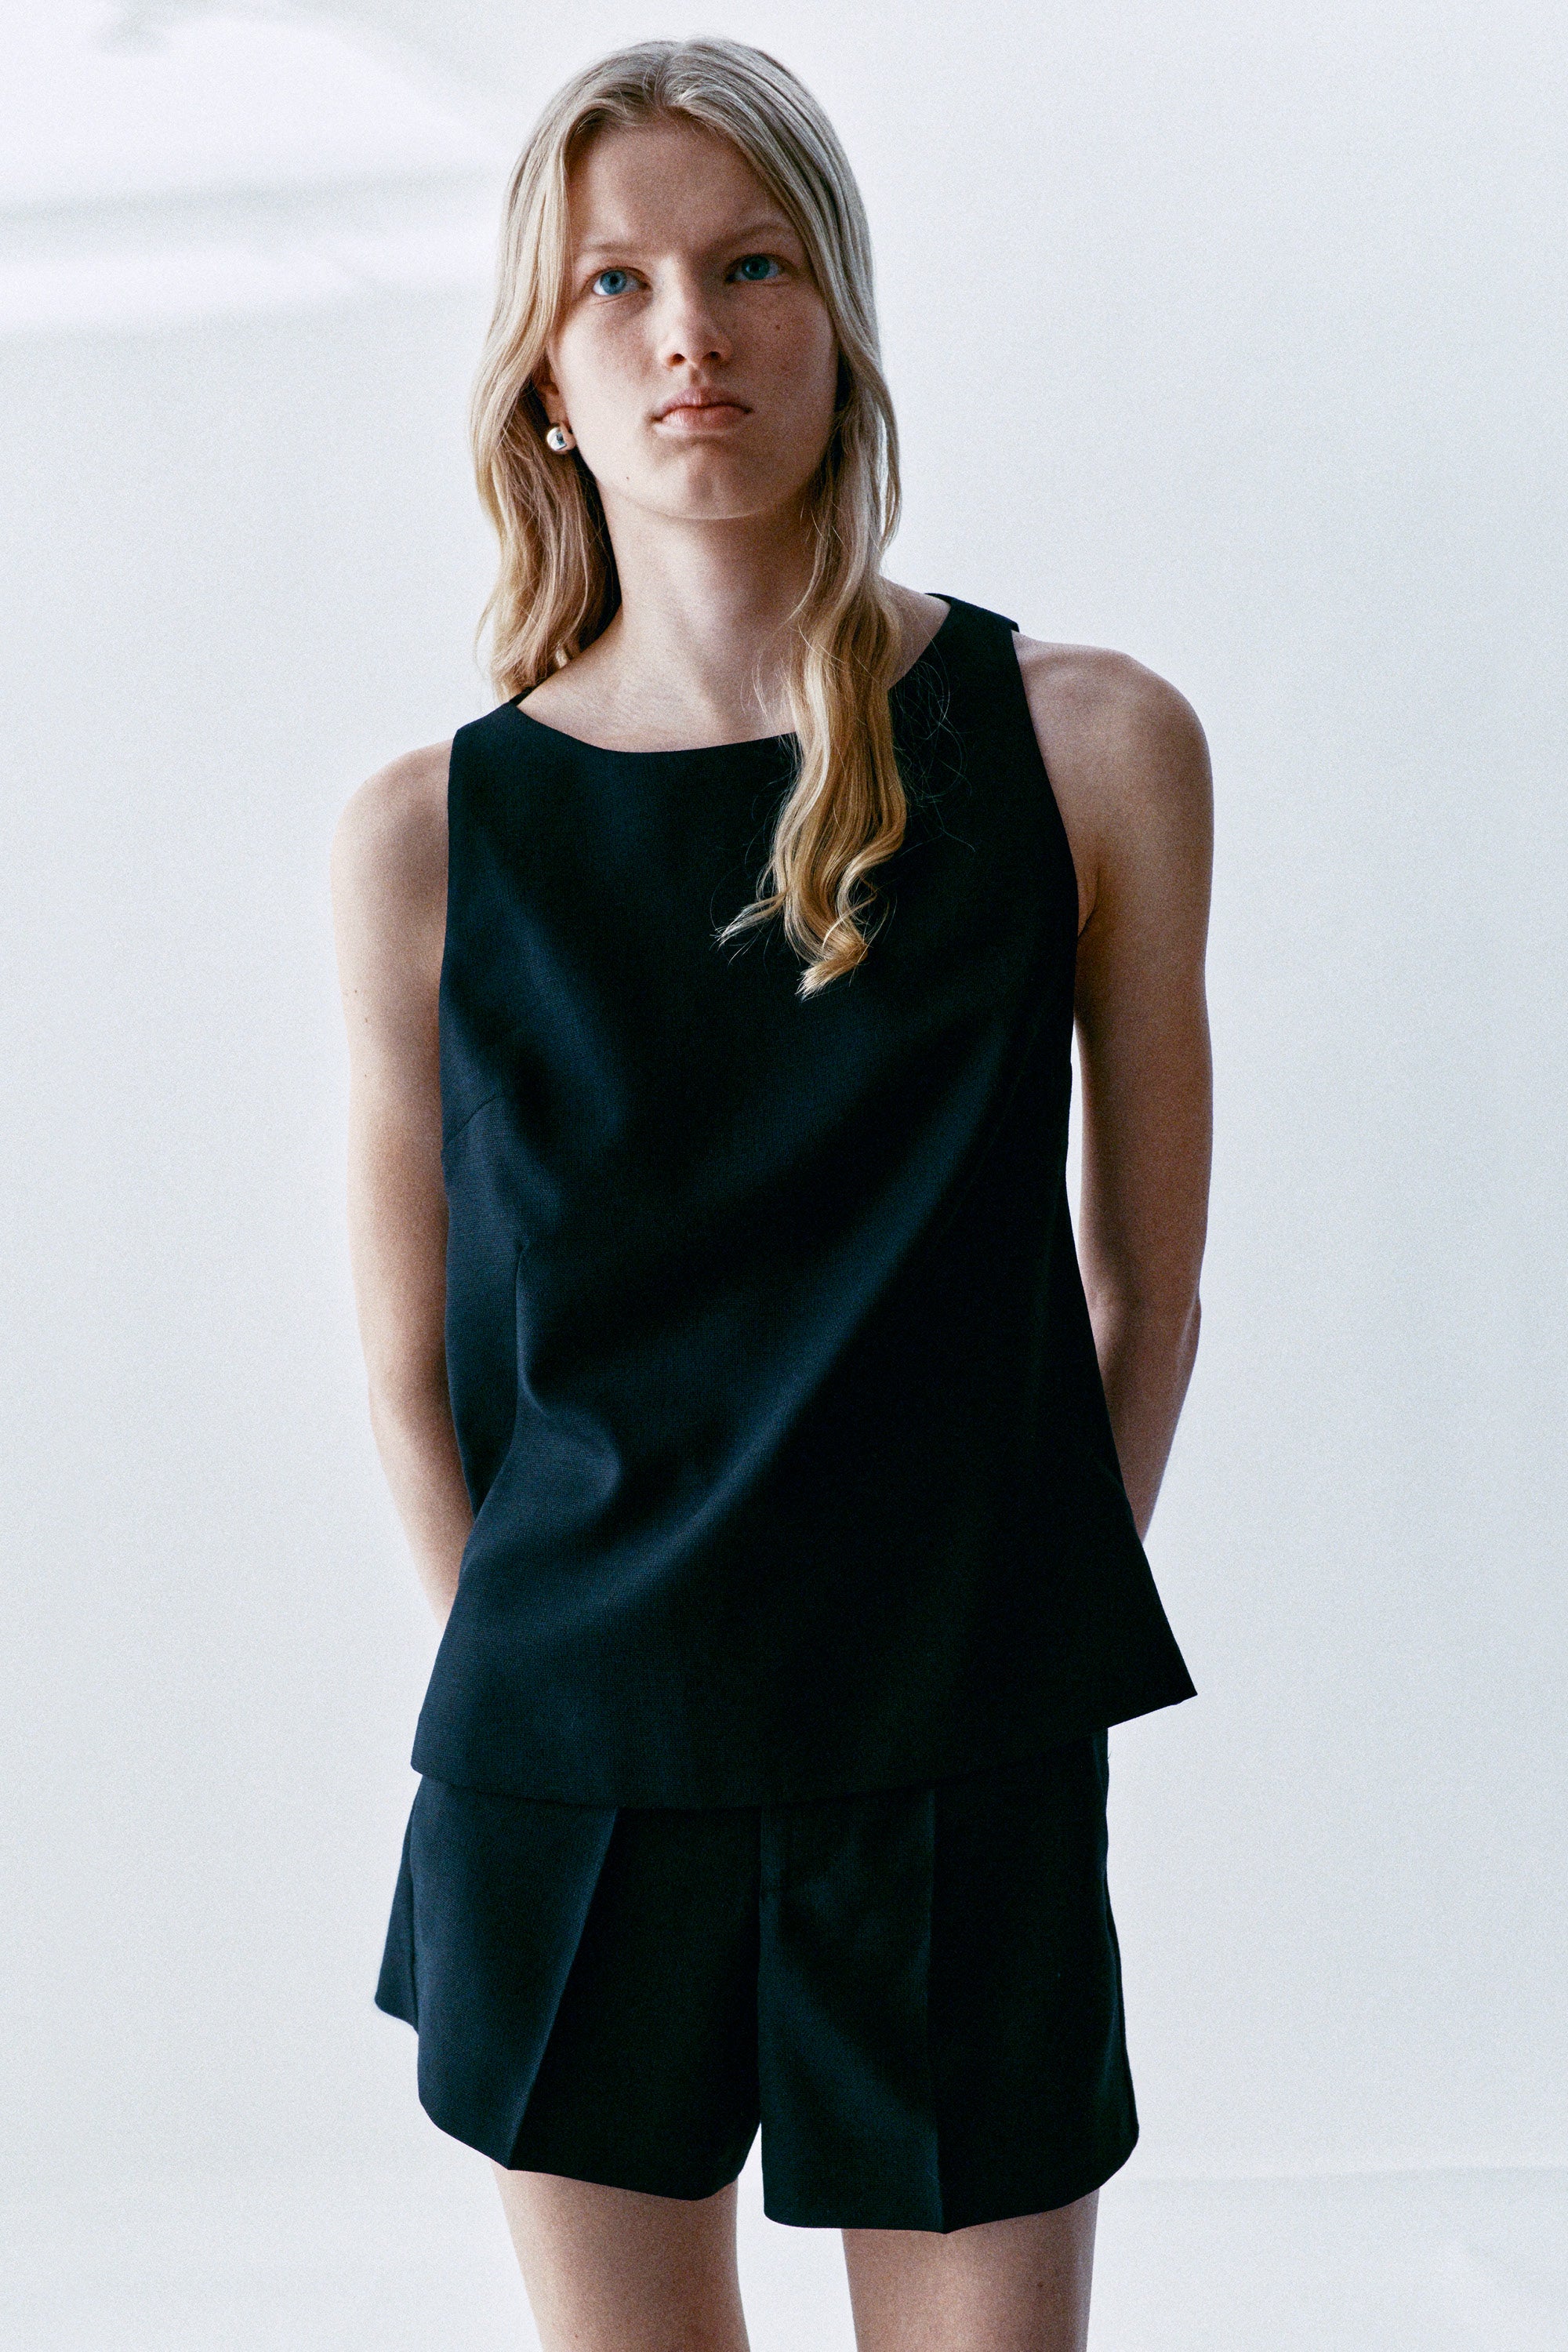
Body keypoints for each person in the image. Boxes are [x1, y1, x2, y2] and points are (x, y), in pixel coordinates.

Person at [331, 34, 1211, 2352]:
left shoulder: (1088, 746)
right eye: (612, 284)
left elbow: (1147, 1290)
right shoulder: (432, 838)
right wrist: (550, 1686)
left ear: (842, 313)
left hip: (957, 1750)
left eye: (750, 266)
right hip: (573, 1762)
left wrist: (1000, 1644)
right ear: (541, 374)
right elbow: (414, 1372)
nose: (687, 334)